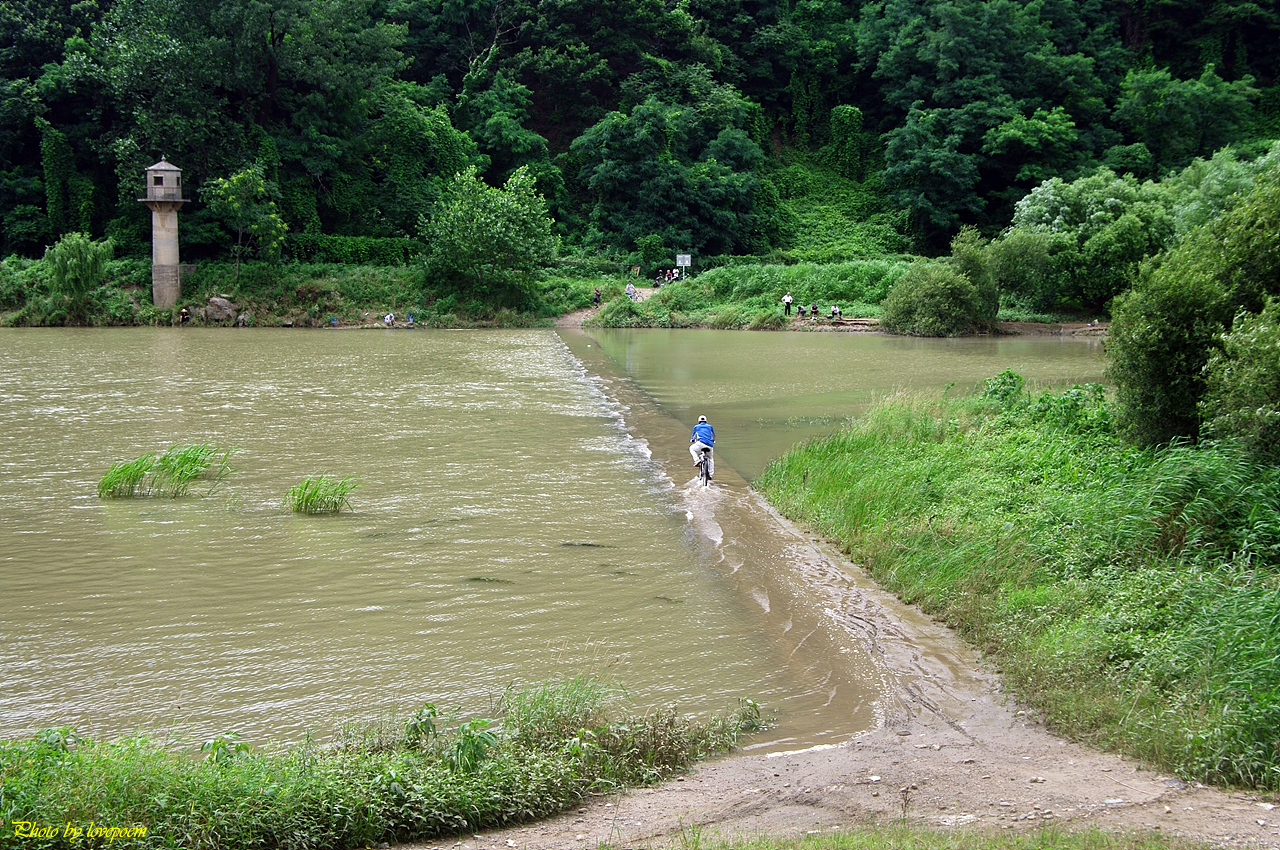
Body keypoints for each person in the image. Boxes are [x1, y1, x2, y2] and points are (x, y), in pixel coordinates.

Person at [689, 415, 715, 480]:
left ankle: (697, 460)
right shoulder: (710, 427)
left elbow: (693, 437)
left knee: (691, 448)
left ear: (698, 421)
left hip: (700, 443)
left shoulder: (696, 427)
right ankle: (711, 474)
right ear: (706, 421)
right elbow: (713, 436)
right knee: (711, 458)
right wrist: (713, 441)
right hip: (710, 445)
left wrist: (692, 440)